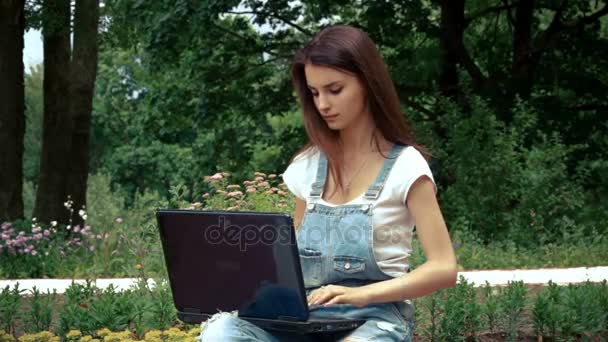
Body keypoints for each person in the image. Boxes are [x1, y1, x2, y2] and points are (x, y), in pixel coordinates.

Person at [200, 24, 457, 342]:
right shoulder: (306, 166)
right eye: (314, 93)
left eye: (334, 90)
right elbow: (289, 263)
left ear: (367, 83)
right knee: (221, 332)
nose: (322, 105)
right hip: (305, 319)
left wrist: (362, 295)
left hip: (374, 321)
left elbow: (444, 267)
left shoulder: (406, 168)